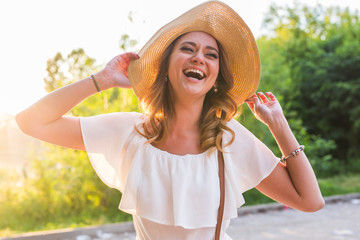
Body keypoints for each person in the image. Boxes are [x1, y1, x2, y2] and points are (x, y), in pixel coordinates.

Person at [16, 1, 324, 239]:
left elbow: (310, 201)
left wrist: (278, 125)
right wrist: (102, 79)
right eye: (187, 49)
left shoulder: (228, 137)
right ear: (166, 68)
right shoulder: (130, 132)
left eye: (210, 54)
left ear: (215, 78)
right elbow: (31, 122)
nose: (198, 58)